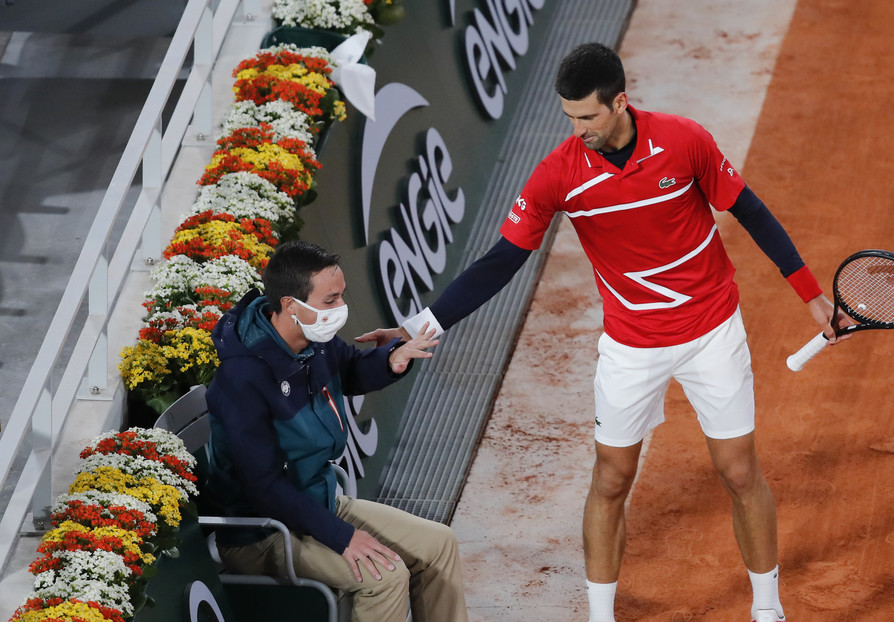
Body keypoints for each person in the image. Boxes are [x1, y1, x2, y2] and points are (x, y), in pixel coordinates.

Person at [395, 43, 849, 622]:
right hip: (631, 346)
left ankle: (767, 610)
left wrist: (810, 294)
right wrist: (422, 324)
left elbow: (751, 211)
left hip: (712, 330)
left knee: (739, 472)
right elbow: (500, 261)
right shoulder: (558, 174)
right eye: (569, 117)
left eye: (587, 116)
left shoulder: (685, 141)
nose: (577, 129)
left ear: (620, 103)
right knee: (611, 478)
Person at [204, 240, 469, 622]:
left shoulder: (316, 341)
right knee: (385, 575)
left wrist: (392, 360)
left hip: (317, 502)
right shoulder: (242, 378)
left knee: (439, 545)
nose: (340, 309)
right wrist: (342, 537)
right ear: (291, 305)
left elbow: (353, 370)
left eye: (341, 296)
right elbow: (262, 486)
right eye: (330, 301)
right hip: (263, 530)